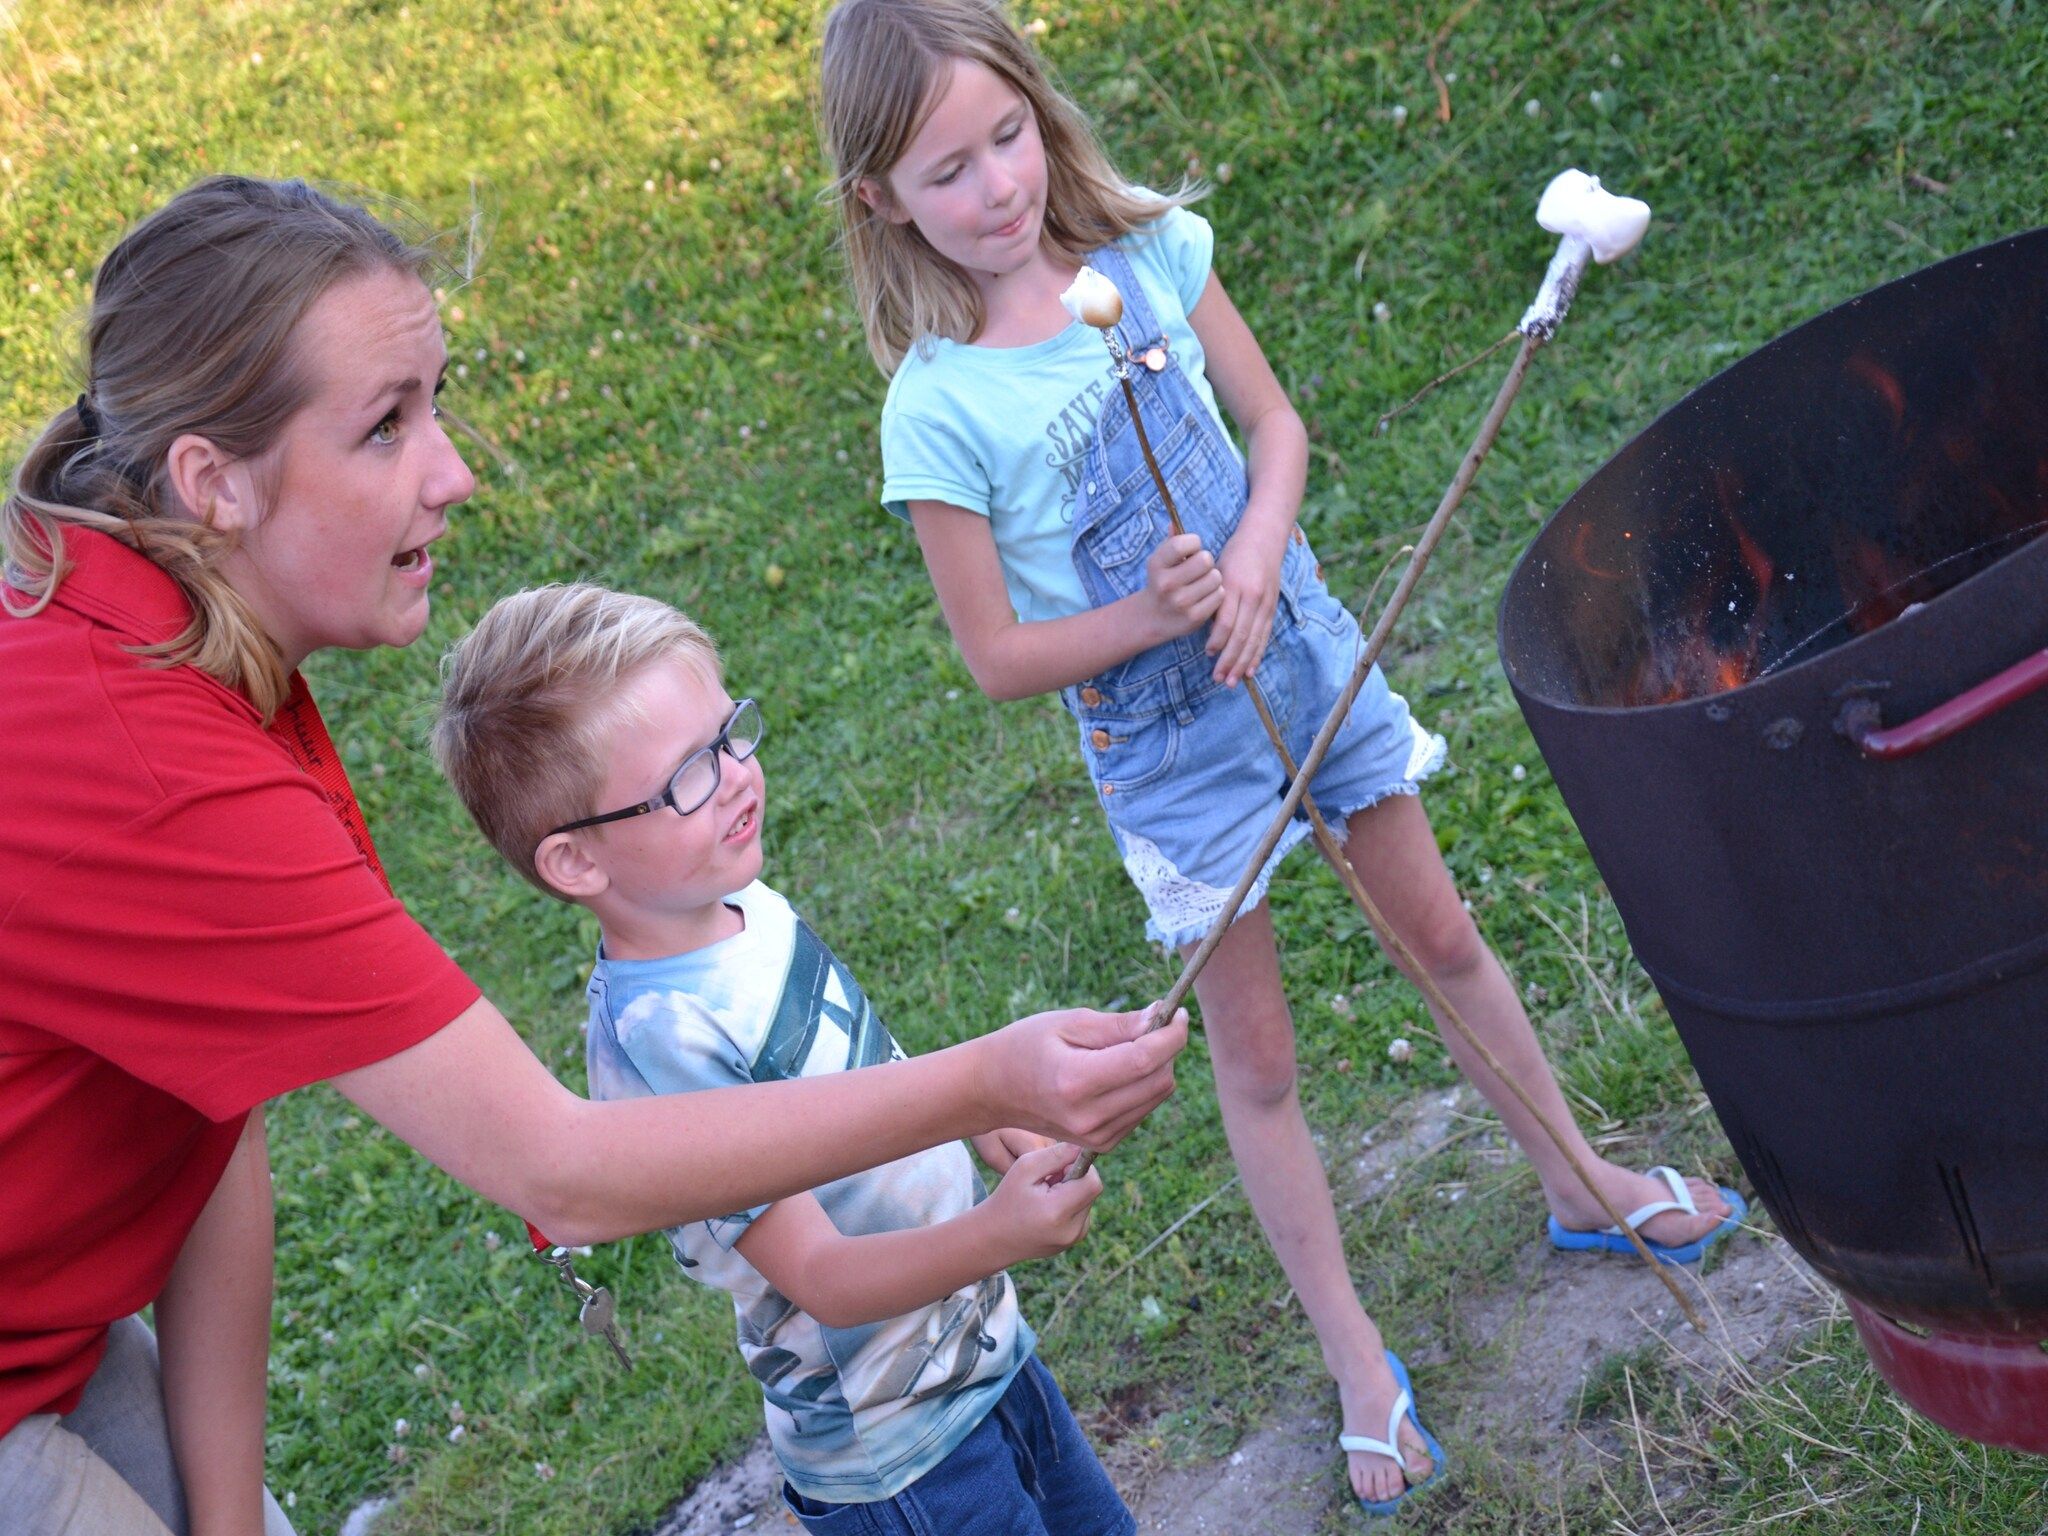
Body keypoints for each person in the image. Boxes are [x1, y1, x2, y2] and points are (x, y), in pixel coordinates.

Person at [0, 174, 1188, 1536]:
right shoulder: (149, 758)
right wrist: (982, 1076)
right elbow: (558, 1165)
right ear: (212, 482)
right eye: (385, 428)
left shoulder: (179, 642)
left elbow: (206, 1125)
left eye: (434, 404)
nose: (452, 472)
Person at [816, 0, 1745, 1514]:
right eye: (944, 173)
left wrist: (1251, 560)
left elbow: (1277, 425)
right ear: (880, 201)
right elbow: (995, 657)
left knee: (1441, 932)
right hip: (1173, 757)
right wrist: (1146, 614)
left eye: (1005, 139)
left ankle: (1582, 1182)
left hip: (1304, 655)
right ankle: (1357, 1358)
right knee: (1256, 1062)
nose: (994, 188)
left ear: (1040, 115)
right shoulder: (940, 406)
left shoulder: (1155, 256)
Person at [435, 583, 1139, 1536]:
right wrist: (999, 1236)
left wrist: (984, 1118)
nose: (734, 776)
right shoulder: (662, 1046)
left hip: (982, 1352)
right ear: (576, 864)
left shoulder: (742, 904)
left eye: (730, 735)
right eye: (688, 774)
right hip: (902, 1455)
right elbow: (825, 1278)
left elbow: (863, 1082)